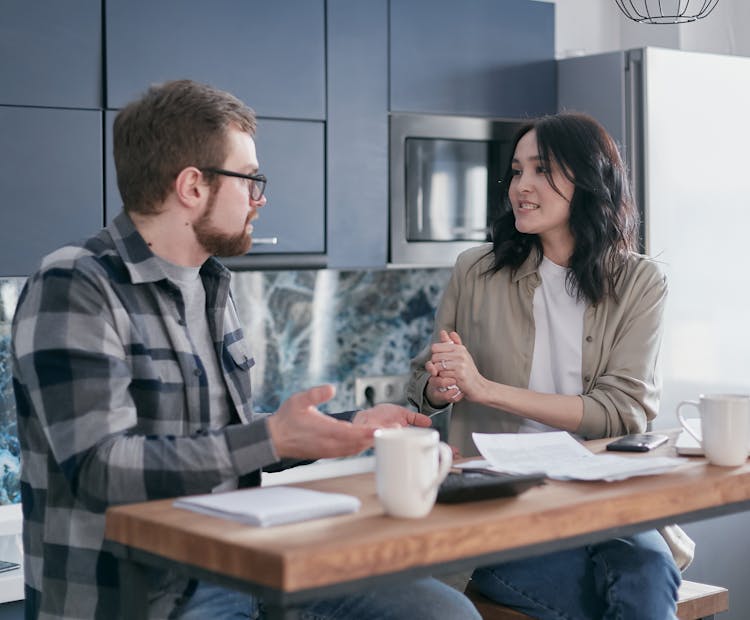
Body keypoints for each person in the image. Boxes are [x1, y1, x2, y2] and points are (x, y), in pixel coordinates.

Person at [11, 80, 480, 620]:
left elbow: (220, 435)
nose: (260, 199)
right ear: (192, 186)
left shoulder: (209, 283)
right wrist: (271, 435)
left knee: (443, 614)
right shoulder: (75, 285)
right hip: (147, 593)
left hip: (246, 563)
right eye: (250, 180)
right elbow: (101, 466)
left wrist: (348, 426)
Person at [407, 112, 693, 619]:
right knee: (611, 598)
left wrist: (484, 387)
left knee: (648, 569)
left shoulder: (640, 282)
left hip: (604, 497)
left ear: (588, 179)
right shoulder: (475, 270)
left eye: (541, 170)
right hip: (505, 504)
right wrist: (441, 384)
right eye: (517, 171)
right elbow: (420, 386)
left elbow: (621, 411)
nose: (523, 186)